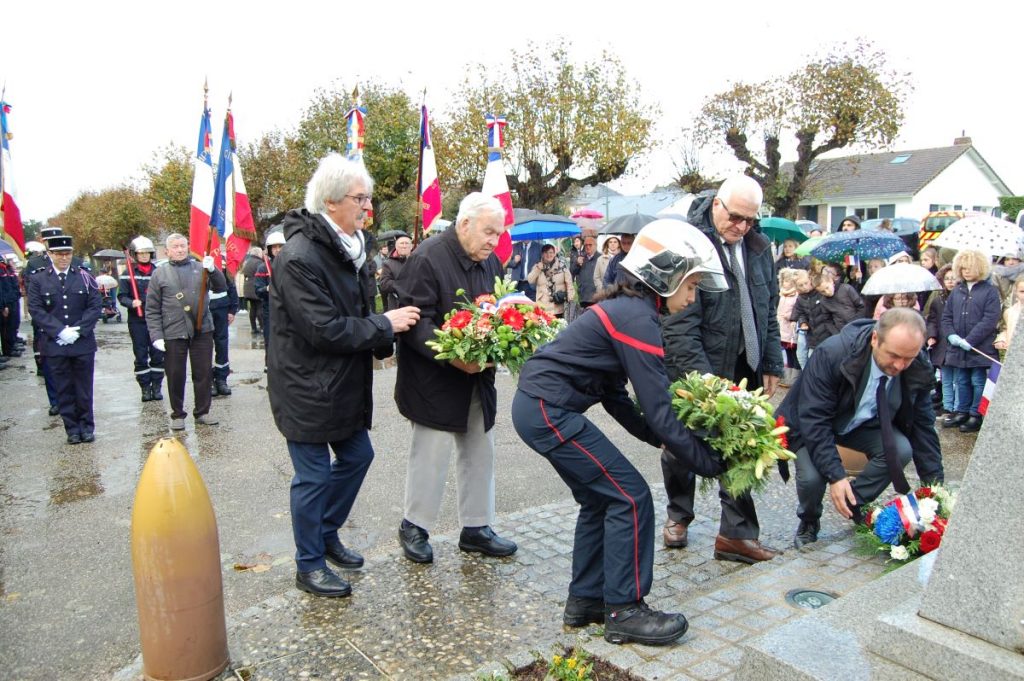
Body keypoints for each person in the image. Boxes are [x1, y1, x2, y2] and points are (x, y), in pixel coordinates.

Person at [512, 220, 726, 645]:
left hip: (540, 408)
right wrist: (712, 463)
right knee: (631, 496)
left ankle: (586, 601)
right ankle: (625, 610)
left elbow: (616, 397)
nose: (694, 295)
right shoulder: (637, 317)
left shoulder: (631, 311)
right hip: (547, 408)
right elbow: (660, 406)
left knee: (600, 499)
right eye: (692, 283)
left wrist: (660, 438)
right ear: (666, 276)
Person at [267, 153, 420, 598]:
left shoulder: (351, 248)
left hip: (341, 383)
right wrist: (384, 326)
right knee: (313, 476)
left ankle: (326, 532)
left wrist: (384, 335)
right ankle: (308, 563)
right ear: (331, 201)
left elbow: (358, 311)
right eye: (360, 198)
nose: (367, 207)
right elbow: (322, 329)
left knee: (357, 457)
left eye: (368, 197)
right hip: (305, 385)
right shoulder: (299, 257)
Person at [660, 175, 784, 563]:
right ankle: (678, 514)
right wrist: (704, 384)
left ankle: (736, 535)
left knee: (746, 443)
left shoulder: (759, 247)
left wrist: (771, 361)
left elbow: (768, 309)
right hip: (696, 368)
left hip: (745, 363)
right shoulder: (686, 243)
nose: (742, 227)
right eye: (735, 218)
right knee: (683, 445)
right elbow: (677, 324)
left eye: (750, 220)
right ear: (716, 204)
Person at [393, 192, 516, 564]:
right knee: (431, 453)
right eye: (489, 232)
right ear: (464, 224)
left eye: (498, 234)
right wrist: (453, 356)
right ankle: (414, 525)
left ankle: (477, 528)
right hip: (435, 377)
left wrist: (502, 344)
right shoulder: (427, 257)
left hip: (479, 378)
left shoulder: (490, 262)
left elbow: (495, 311)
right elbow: (413, 321)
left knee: (481, 451)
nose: (495, 242)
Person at [778, 309, 944, 548]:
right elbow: (815, 418)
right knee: (813, 479)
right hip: (810, 423)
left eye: (908, 358)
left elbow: (923, 427)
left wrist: (934, 491)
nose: (900, 365)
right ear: (875, 339)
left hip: (862, 423)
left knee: (900, 449)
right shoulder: (833, 353)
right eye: (894, 356)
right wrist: (836, 475)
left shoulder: (916, 365)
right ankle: (809, 520)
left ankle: (854, 505)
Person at [145, 233, 227, 431]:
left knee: (203, 373)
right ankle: (177, 414)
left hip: (202, 329)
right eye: (175, 246)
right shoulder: (159, 274)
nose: (180, 249)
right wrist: (156, 336)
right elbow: (152, 309)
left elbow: (221, 286)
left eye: (183, 245)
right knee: (175, 374)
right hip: (174, 330)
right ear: (167, 251)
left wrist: (213, 270)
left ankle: (202, 412)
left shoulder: (200, 268)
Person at [26, 235, 102, 444]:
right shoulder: (38, 279)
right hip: (55, 344)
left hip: (82, 342)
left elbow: (95, 306)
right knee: (64, 388)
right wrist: (59, 331)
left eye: (67, 253)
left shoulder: (85, 276)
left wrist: (79, 330)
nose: (63, 258)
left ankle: (86, 427)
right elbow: (36, 309)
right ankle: (72, 429)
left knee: (84, 389)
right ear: (49, 254)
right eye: (59, 254)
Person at [940, 249, 1001, 433]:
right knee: (962, 380)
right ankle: (962, 411)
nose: (966, 271)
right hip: (958, 348)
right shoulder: (957, 291)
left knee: (977, 381)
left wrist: (971, 340)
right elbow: (946, 317)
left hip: (979, 347)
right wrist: (951, 335)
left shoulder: (989, 291)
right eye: (963, 268)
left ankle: (976, 414)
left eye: (970, 268)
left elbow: (990, 319)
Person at [117, 236, 165, 402]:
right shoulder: (127, 274)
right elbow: (121, 296)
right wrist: (132, 302)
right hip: (137, 320)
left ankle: (157, 387)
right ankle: (145, 388)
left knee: (158, 354)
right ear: (135, 255)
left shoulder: (159, 272)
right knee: (141, 354)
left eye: (147, 253)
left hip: (157, 320)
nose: (144, 256)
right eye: (141, 253)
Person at [924, 265, 956, 418]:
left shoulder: (961, 298)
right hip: (942, 341)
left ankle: (955, 405)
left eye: (953, 278)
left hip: (955, 341)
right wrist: (931, 335)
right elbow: (932, 320)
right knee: (944, 376)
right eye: (947, 279)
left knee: (958, 378)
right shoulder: (938, 300)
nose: (950, 282)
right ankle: (947, 404)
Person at [254, 230, 285, 367]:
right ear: (269, 249)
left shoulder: (291, 264)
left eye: (280, 246)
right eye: (274, 247)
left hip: (288, 311)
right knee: (271, 342)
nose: (277, 250)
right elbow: (257, 290)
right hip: (270, 311)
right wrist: (266, 289)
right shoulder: (263, 267)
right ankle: (270, 367)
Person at [209, 259, 239, 397]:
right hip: (204, 313)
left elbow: (232, 289)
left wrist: (232, 310)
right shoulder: (200, 267)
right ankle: (208, 380)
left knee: (222, 345)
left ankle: (221, 379)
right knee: (205, 348)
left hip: (221, 311)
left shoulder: (224, 271)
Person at [527, 244, 574, 317]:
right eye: (546, 252)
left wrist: (570, 298)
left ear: (554, 253)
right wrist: (538, 269)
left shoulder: (562, 266)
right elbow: (530, 280)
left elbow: (569, 283)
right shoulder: (537, 266)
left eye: (551, 252)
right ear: (542, 254)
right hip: (543, 306)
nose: (549, 255)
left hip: (558, 306)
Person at [777, 268, 800, 386]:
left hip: (791, 327)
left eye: (789, 280)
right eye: (785, 280)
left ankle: (794, 379)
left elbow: (797, 310)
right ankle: (787, 377)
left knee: (794, 353)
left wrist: (790, 316)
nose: (787, 283)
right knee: (787, 353)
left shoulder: (796, 295)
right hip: (782, 327)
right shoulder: (781, 294)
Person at [378, 235, 412, 312]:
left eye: (406, 243)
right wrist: (401, 283)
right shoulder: (388, 263)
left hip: (415, 303)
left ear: (411, 246)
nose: (404, 246)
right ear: (396, 247)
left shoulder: (418, 261)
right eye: (401, 243)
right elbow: (384, 284)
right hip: (397, 306)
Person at [239, 246, 264, 336]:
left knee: (252, 308)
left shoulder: (247, 261)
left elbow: (243, 273)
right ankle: (262, 327)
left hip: (247, 287)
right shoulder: (258, 262)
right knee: (259, 307)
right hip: (255, 287)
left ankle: (254, 328)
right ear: (258, 253)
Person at [994, 278, 1024, 353]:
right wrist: (1001, 340)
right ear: (1016, 292)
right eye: (1022, 292)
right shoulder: (1009, 312)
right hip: (1015, 354)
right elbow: (1006, 329)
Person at [570, 236, 600, 308]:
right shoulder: (581, 258)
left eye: (590, 245)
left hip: (597, 297)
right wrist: (577, 263)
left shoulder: (600, 258)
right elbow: (572, 272)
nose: (588, 247)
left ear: (595, 246)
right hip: (584, 297)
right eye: (586, 245)